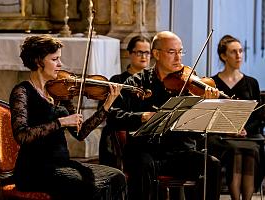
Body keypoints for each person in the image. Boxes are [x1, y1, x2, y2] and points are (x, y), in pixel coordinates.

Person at [9, 34, 127, 200]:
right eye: (55, 59)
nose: (60, 64)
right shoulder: (22, 92)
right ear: (38, 61)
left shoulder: (60, 92)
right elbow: (22, 135)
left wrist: (107, 105)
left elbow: (81, 133)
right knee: (89, 185)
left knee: (117, 177)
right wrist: (61, 122)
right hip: (35, 170)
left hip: (63, 165)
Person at [107, 31, 222, 200]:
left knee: (211, 164)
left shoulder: (189, 84)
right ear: (156, 54)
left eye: (180, 51)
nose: (178, 58)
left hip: (179, 152)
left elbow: (198, 131)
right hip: (144, 150)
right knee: (142, 165)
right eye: (172, 52)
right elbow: (114, 116)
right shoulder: (136, 82)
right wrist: (142, 117)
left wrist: (207, 105)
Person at [208, 34, 265, 200]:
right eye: (233, 52)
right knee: (235, 151)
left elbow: (257, 116)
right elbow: (210, 114)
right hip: (221, 137)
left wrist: (244, 129)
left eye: (240, 51)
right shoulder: (212, 83)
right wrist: (229, 130)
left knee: (252, 150)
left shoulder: (251, 82)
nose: (239, 55)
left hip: (247, 135)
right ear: (223, 56)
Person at [99, 35, 151, 168]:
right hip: (124, 133)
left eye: (147, 53)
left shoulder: (151, 81)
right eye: (139, 52)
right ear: (129, 53)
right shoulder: (118, 80)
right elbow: (107, 111)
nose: (144, 57)